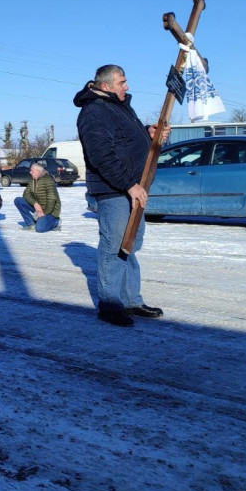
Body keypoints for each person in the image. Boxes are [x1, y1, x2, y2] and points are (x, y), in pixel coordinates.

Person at [75, 64, 166, 327]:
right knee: (114, 246)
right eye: (122, 82)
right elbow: (101, 155)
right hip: (114, 190)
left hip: (132, 187)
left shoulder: (120, 107)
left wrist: (149, 135)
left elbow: (128, 143)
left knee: (129, 245)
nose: (127, 86)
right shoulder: (94, 112)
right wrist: (129, 184)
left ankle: (131, 301)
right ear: (105, 86)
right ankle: (110, 304)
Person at [13, 161, 60, 232]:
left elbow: (52, 199)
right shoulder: (32, 181)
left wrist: (44, 213)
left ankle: (56, 222)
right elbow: (26, 194)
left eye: (32, 171)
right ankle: (31, 224)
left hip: (50, 211)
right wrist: (35, 204)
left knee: (40, 229)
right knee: (18, 200)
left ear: (38, 172)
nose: (30, 172)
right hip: (38, 208)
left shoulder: (48, 180)